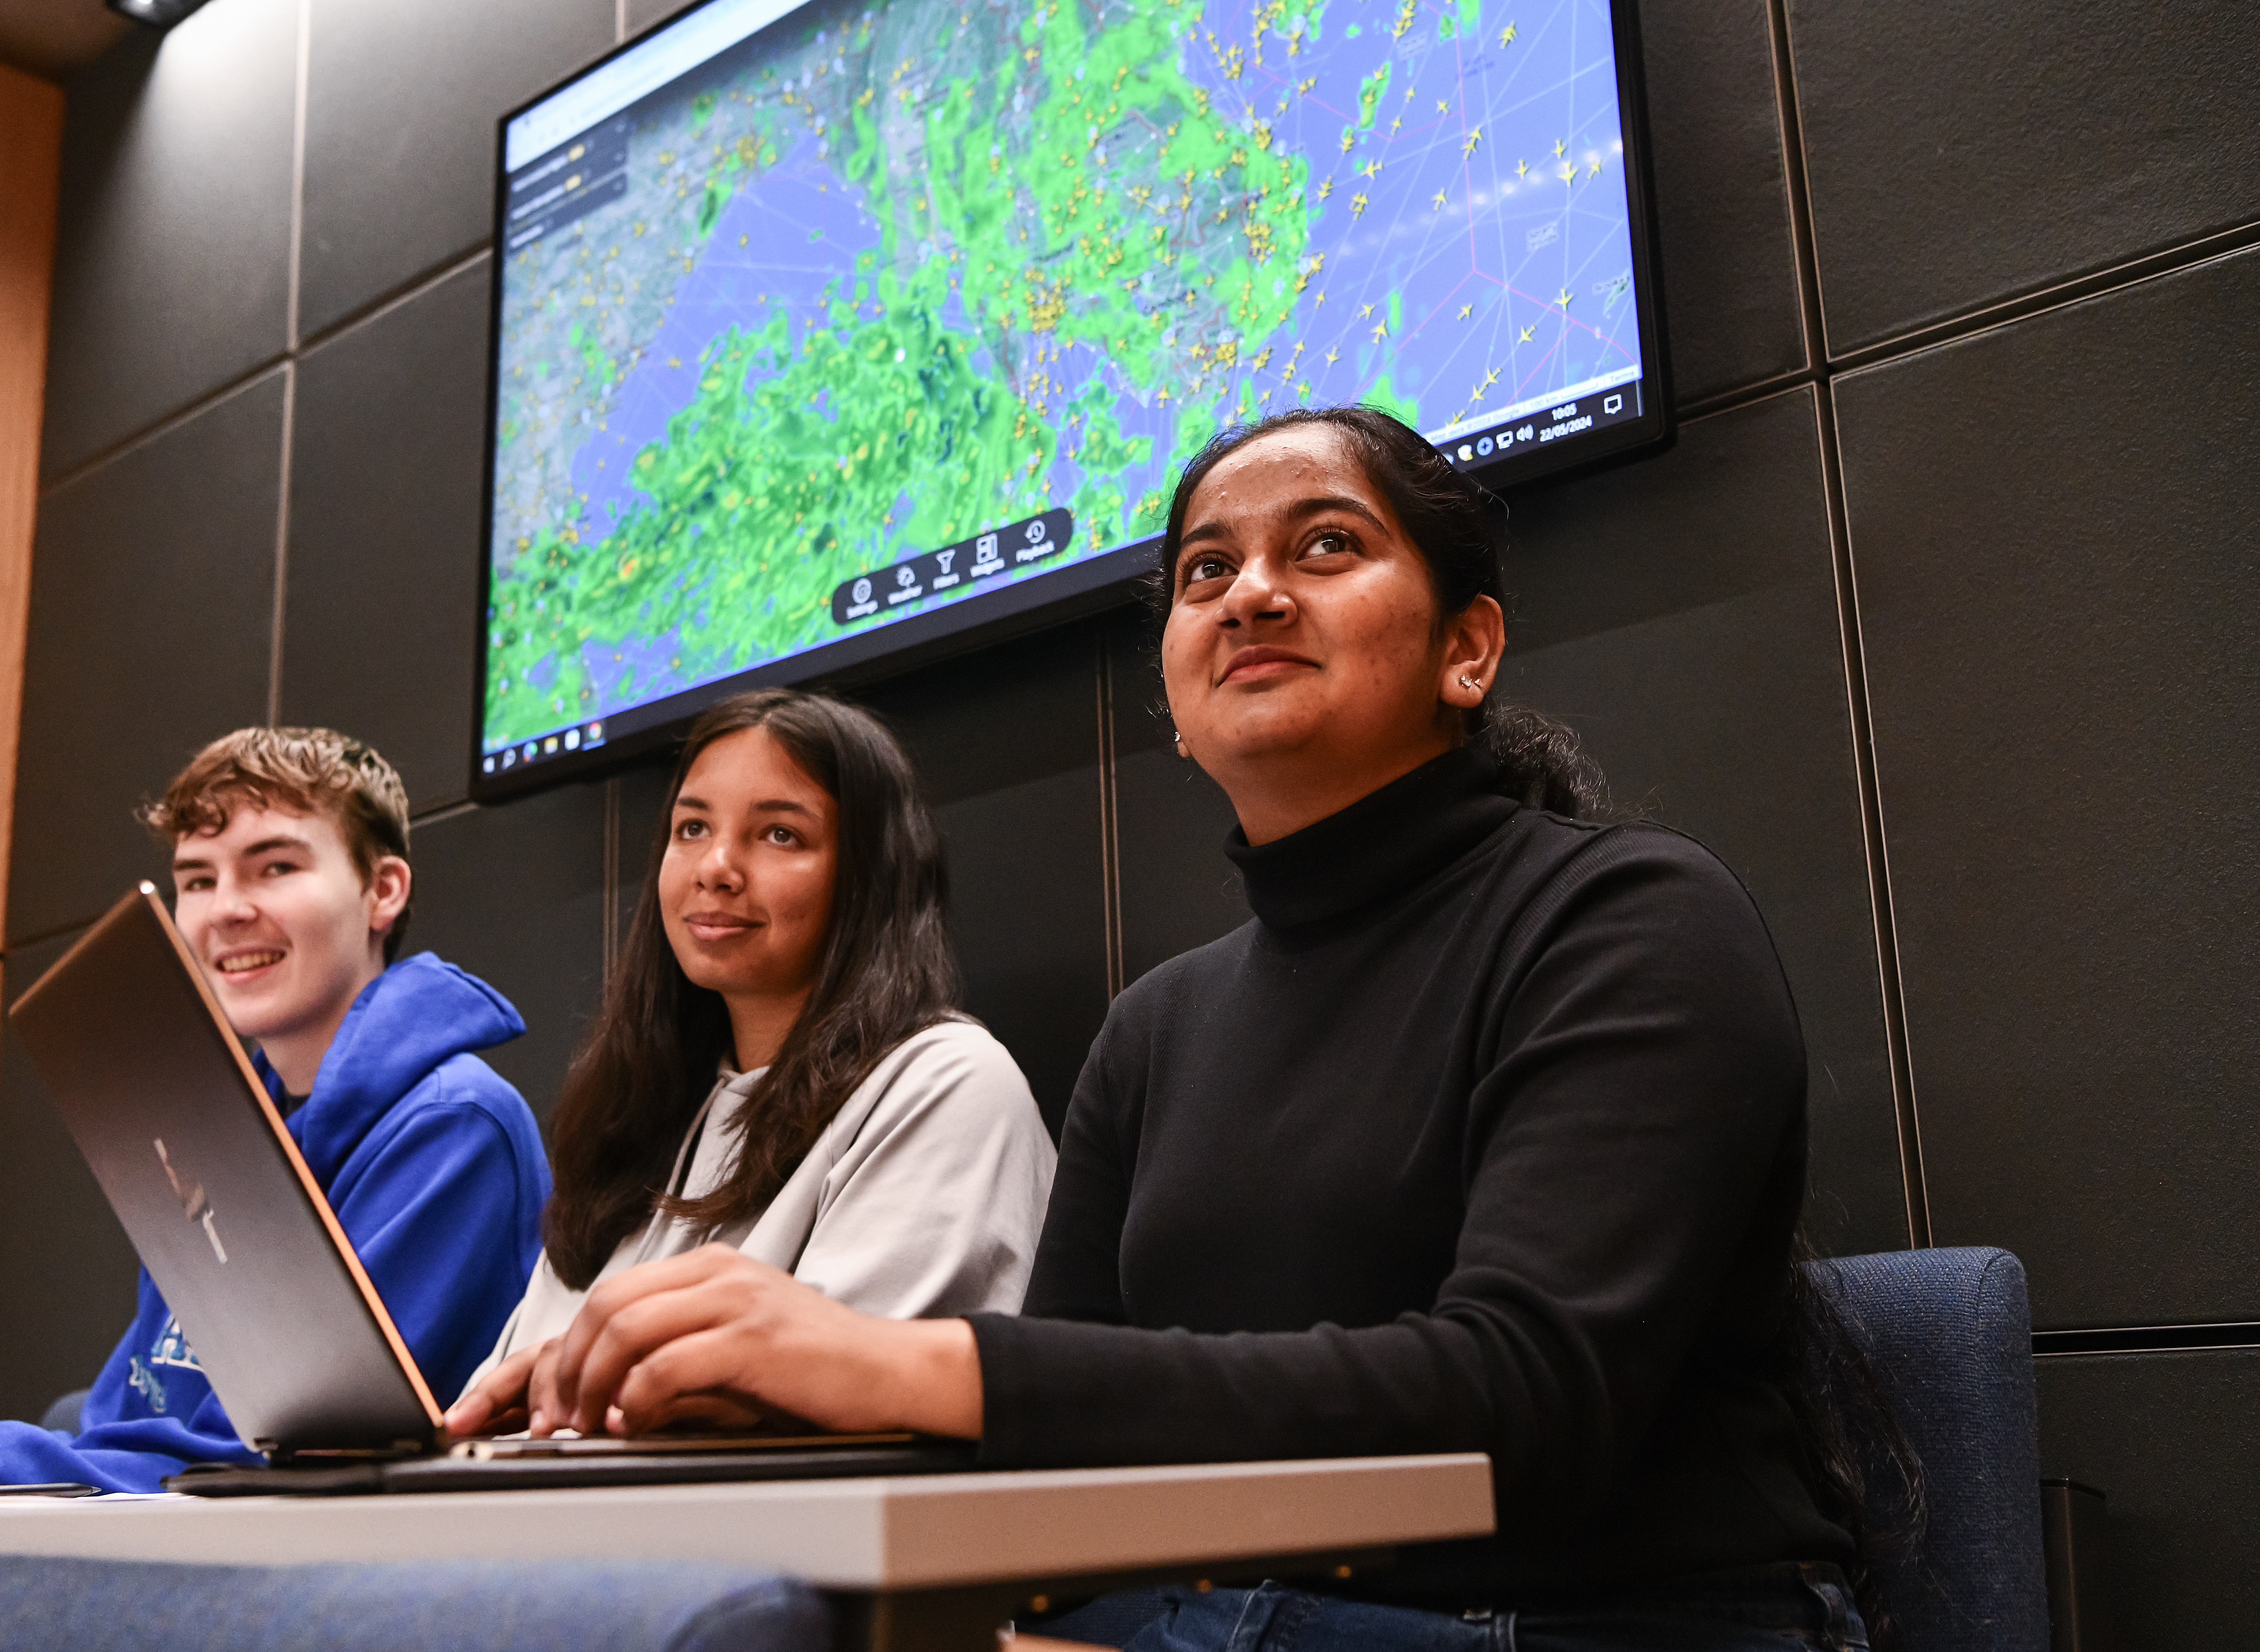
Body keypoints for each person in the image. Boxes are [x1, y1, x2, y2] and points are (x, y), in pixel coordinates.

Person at [455, 409, 1888, 1649]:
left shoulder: (1632, 916)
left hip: (1600, 1617)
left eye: (1325, 546)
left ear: (1469, 648)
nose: (1253, 591)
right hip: (1219, 1615)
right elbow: (1058, 1466)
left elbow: (1524, 1398)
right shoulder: (1159, 1025)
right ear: (1180, 709)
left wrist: (894, 1360)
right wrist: (724, 1409)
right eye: (1209, 568)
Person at [0, 728, 551, 1504]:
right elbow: (123, 1436)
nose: (226, 911)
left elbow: (233, 1472)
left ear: (383, 890)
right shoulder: (218, 1128)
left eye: (275, 867)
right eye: (196, 879)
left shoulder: (458, 1128)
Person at [448, 689, 1053, 1437]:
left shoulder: (947, 1083)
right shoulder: (644, 1124)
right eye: (692, 828)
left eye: (779, 835)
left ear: (870, 874)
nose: (717, 867)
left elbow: (848, 1416)